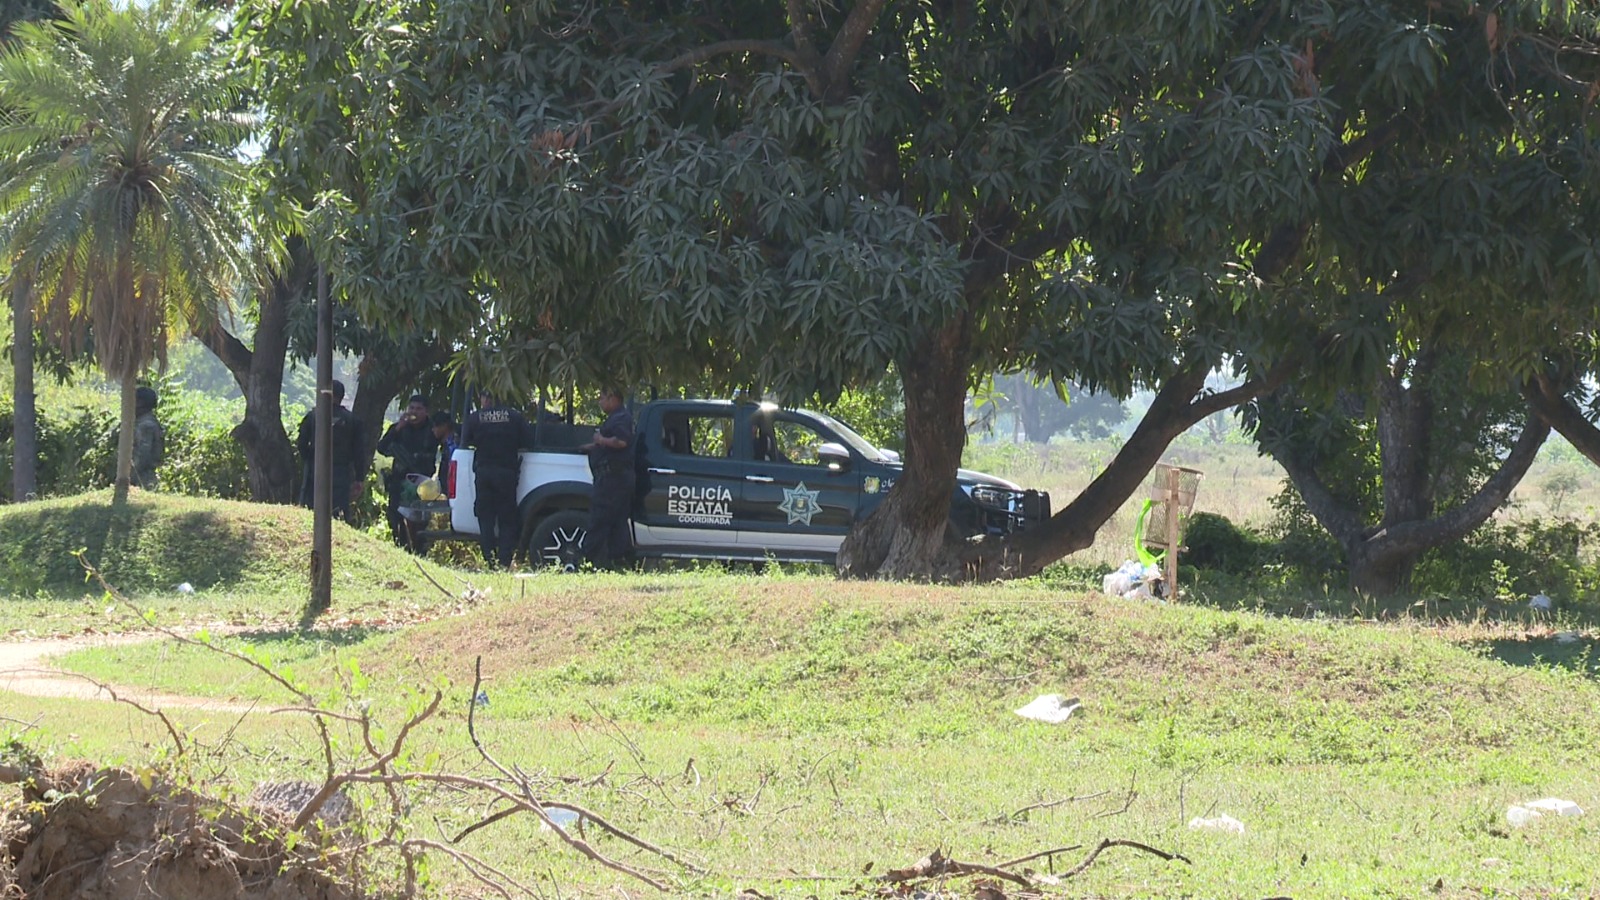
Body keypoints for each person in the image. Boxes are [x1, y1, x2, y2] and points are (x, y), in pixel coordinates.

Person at [460, 390, 533, 568]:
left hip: (484, 473)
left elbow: (465, 441)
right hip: (506, 473)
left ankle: (489, 560)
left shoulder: (475, 418)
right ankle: (504, 561)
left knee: (485, 517)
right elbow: (528, 441)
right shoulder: (515, 417)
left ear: (485, 398)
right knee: (507, 518)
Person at [376, 395, 440, 554]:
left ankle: (419, 552)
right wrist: (397, 429)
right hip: (399, 482)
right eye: (411, 408)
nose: (414, 412)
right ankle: (401, 549)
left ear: (426, 411)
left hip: (421, 484)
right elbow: (382, 448)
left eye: (418, 409)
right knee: (396, 519)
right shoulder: (399, 428)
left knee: (419, 522)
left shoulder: (432, 430)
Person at [296, 380, 365, 521]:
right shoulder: (352, 420)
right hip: (341, 471)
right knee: (338, 511)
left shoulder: (313, 416)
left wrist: (309, 458)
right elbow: (359, 452)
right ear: (341, 396)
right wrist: (359, 478)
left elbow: (302, 443)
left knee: (312, 508)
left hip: (316, 469)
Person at [581, 388, 635, 569]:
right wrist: (592, 446)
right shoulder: (616, 417)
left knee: (600, 519)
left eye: (602, 397)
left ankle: (588, 561)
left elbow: (621, 442)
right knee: (616, 522)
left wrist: (601, 440)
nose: (599, 401)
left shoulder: (621, 418)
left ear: (613, 398)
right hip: (614, 477)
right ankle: (617, 561)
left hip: (613, 479)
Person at [132, 386, 165, 490]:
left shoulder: (146, 425)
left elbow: (143, 456)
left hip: (144, 478)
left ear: (140, 403)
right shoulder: (145, 422)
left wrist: (129, 474)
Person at [430, 411, 459, 479]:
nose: (433, 430)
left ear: (444, 426)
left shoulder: (452, 446)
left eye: (435, 426)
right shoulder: (444, 445)